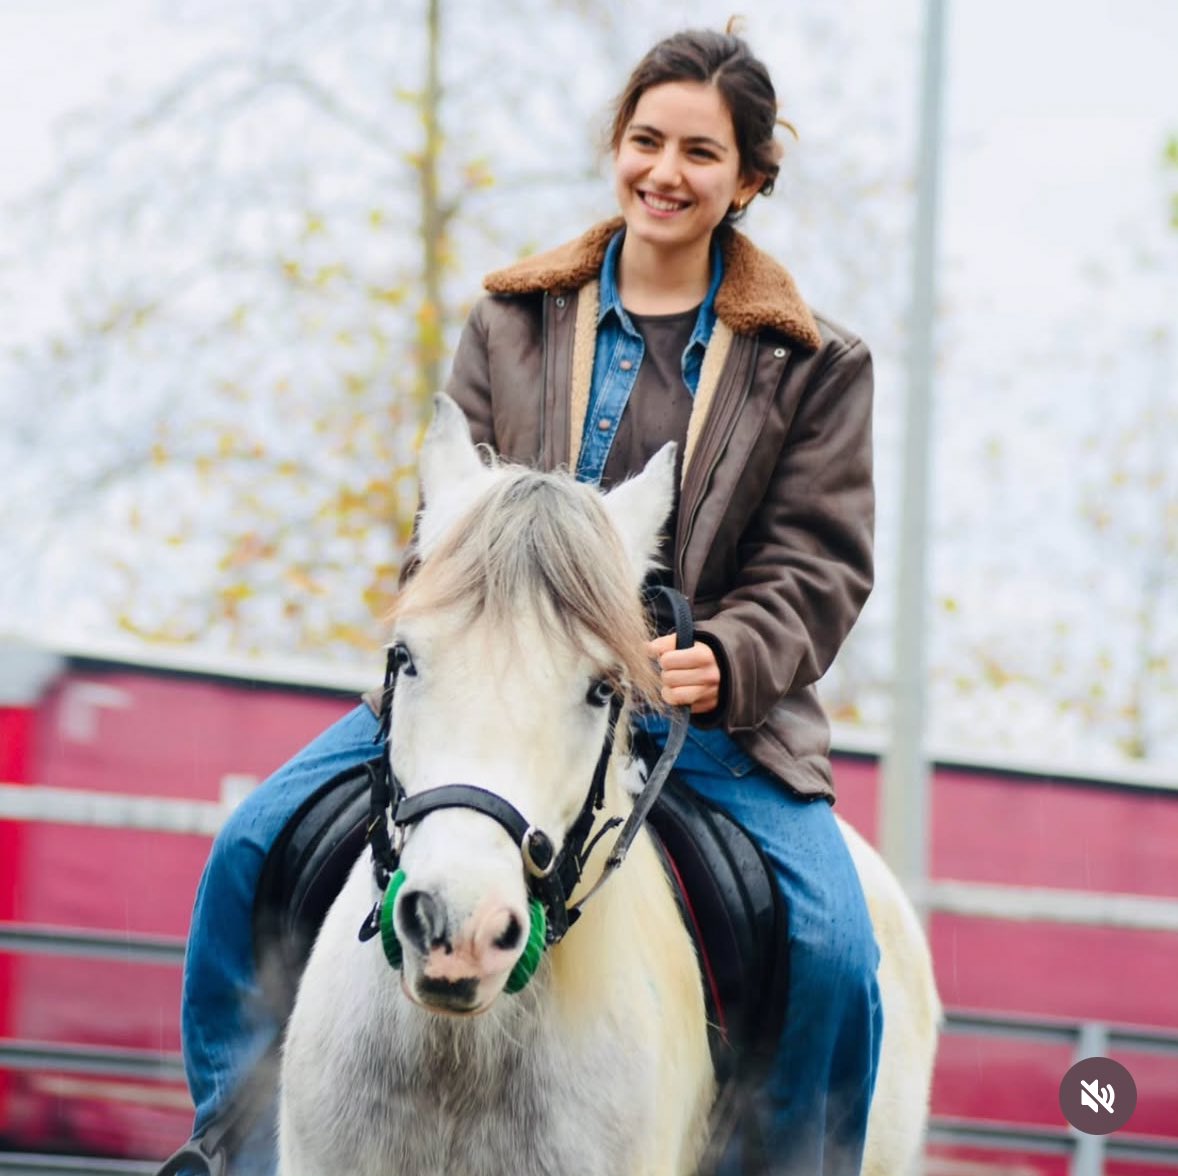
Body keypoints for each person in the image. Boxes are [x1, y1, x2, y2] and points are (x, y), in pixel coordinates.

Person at [179, 24, 880, 1176]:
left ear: (748, 179)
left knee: (835, 950)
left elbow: (821, 561)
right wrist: (460, 629)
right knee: (249, 849)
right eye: (644, 139)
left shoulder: (812, 364)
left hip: (700, 720)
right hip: (488, 697)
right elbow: (438, 534)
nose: (664, 171)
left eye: (700, 153)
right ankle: (231, 1147)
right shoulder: (510, 315)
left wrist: (728, 653)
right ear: (616, 146)